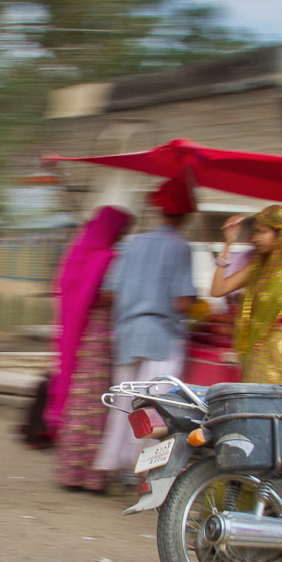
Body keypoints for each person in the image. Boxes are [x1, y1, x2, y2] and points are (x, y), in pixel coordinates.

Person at [91, 178, 197, 490]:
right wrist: (195, 305)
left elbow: (108, 293)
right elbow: (181, 301)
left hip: (127, 333)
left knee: (124, 405)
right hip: (162, 337)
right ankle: (145, 476)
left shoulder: (132, 244)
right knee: (158, 411)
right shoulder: (181, 247)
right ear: (185, 216)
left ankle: (115, 467)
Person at [47, 205, 134, 490]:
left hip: (80, 335)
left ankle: (71, 471)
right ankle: (91, 475)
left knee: (79, 399)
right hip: (99, 335)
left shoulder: (78, 255)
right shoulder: (108, 257)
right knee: (98, 403)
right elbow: (107, 297)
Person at [211, 204, 282, 389]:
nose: (255, 238)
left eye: (261, 232)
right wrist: (228, 243)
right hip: (254, 356)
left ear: (281, 234)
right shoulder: (257, 269)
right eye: (254, 233)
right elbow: (217, 290)